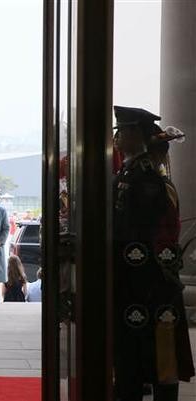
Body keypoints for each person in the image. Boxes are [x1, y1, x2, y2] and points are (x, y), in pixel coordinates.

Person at [112, 106, 194, 400]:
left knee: (159, 355)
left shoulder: (145, 179)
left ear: (135, 134)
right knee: (138, 353)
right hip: (138, 279)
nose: (117, 137)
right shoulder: (131, 171)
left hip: (148, 282)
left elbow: (145, 235)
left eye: (121, 131)